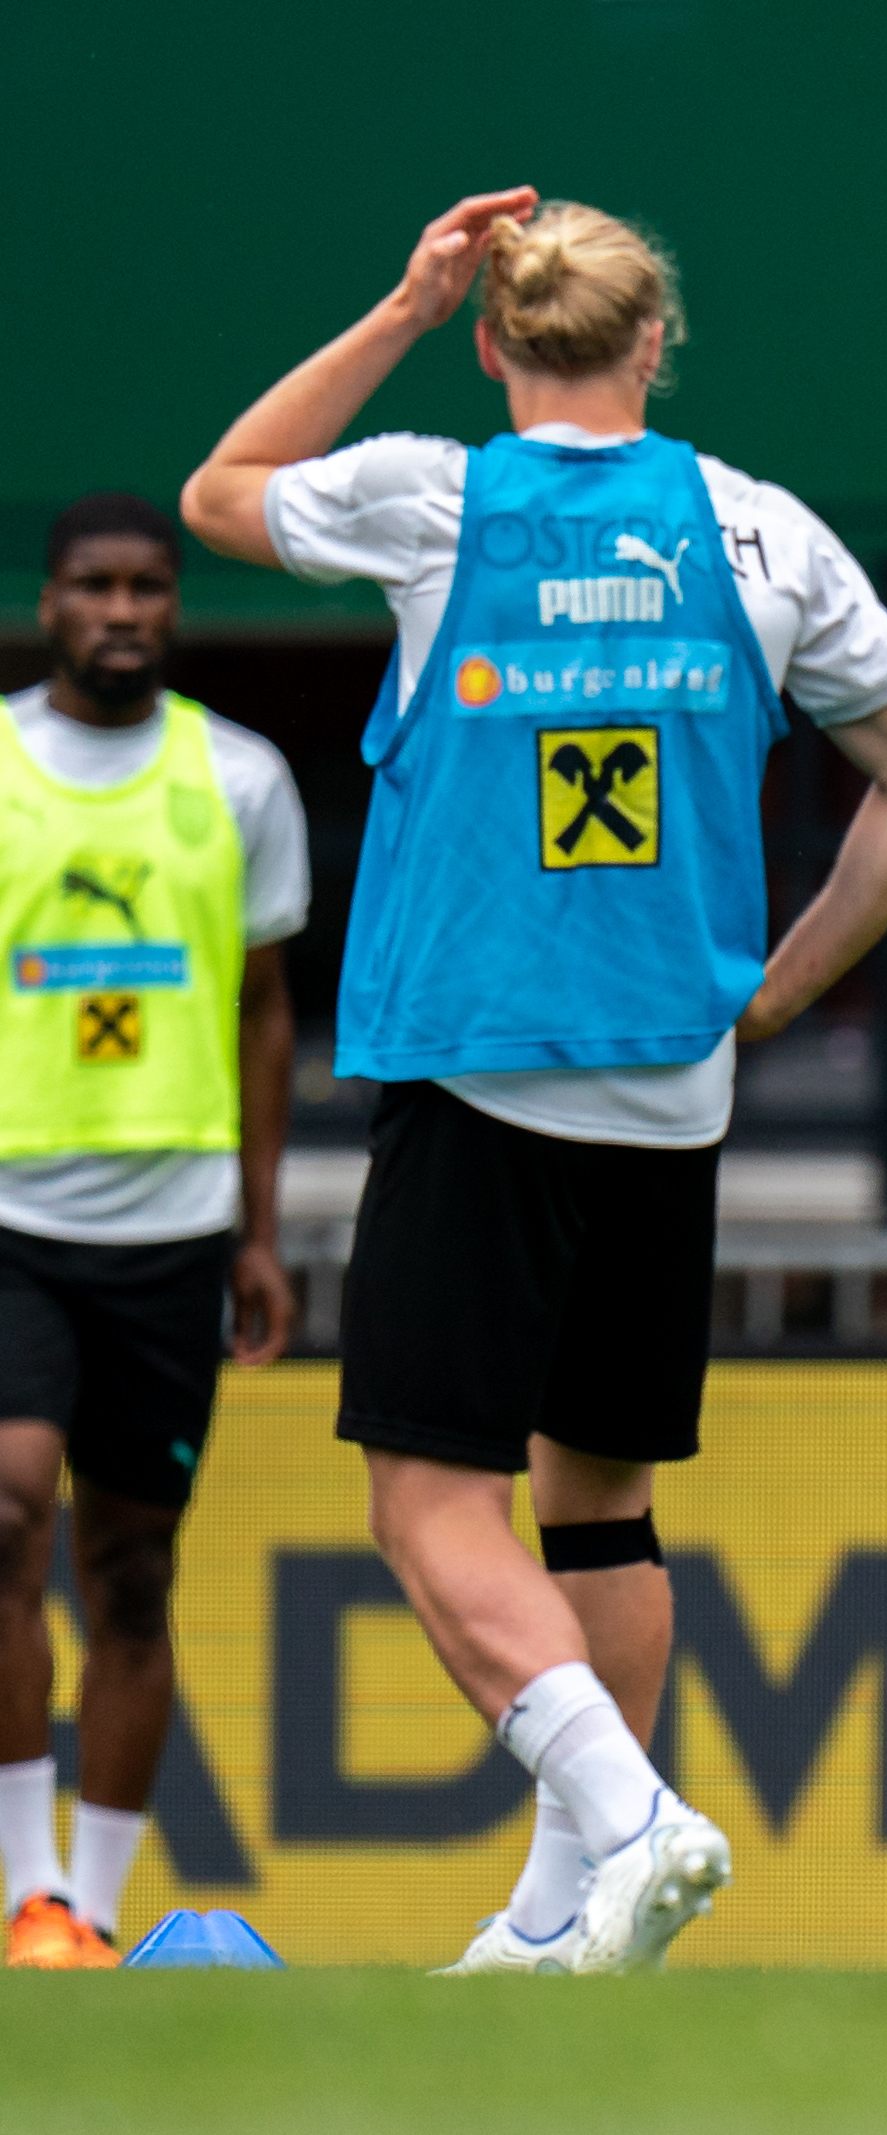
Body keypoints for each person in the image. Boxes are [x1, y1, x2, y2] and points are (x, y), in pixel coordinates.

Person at [181, 190, 887, 1974]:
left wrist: (394, 305)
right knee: (598, 1505)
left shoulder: (433, 498)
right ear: (655, 345)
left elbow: (220, 494)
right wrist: (774, 991)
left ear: (491, 343)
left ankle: (629, 1822)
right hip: (672, 1096)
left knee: (427, 1496)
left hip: (483, 1076)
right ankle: (563, 1919)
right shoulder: (762, 533)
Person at [0, 496, 305, 1969]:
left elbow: (264, 1012)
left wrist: (258, 1229)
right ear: (47, 603)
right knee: (7, 1508)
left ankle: (95, 1919)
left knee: (132, 1571)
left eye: (145, 589)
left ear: (174, 607)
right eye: (91, 588)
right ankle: (23, 1892)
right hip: (11, 1213)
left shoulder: (238, 778)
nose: (119, 612)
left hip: (175, 1229)